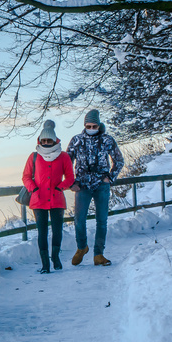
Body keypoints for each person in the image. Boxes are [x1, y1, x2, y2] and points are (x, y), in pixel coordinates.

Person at [66, 109, 124, 266]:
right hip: (82, 185)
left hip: (101, 185)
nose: (91, 129)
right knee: (79, 219)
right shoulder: (76, 140)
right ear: (84, 125)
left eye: (94, 126)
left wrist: (110, 177)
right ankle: (81, 247)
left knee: (102, 221)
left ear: (99, 126)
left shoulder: (107, 140)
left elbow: (119, 160)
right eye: (88, 126)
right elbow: (66, 163)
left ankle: (99, 254)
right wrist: (72, 183)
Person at [22, 120, 75, 273]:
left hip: (57, 198)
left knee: (57, 230)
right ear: (40, 140)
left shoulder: (63, 156)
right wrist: (34, 189)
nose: (46, 143)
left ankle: (56, 258)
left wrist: (60, 187)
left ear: (54, 140)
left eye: (49, 140)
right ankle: (45, 264)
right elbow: (26, 176)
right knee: (42, 232)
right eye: (43, 140)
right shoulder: (34, 156)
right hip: (38, 199)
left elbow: (70, 177)